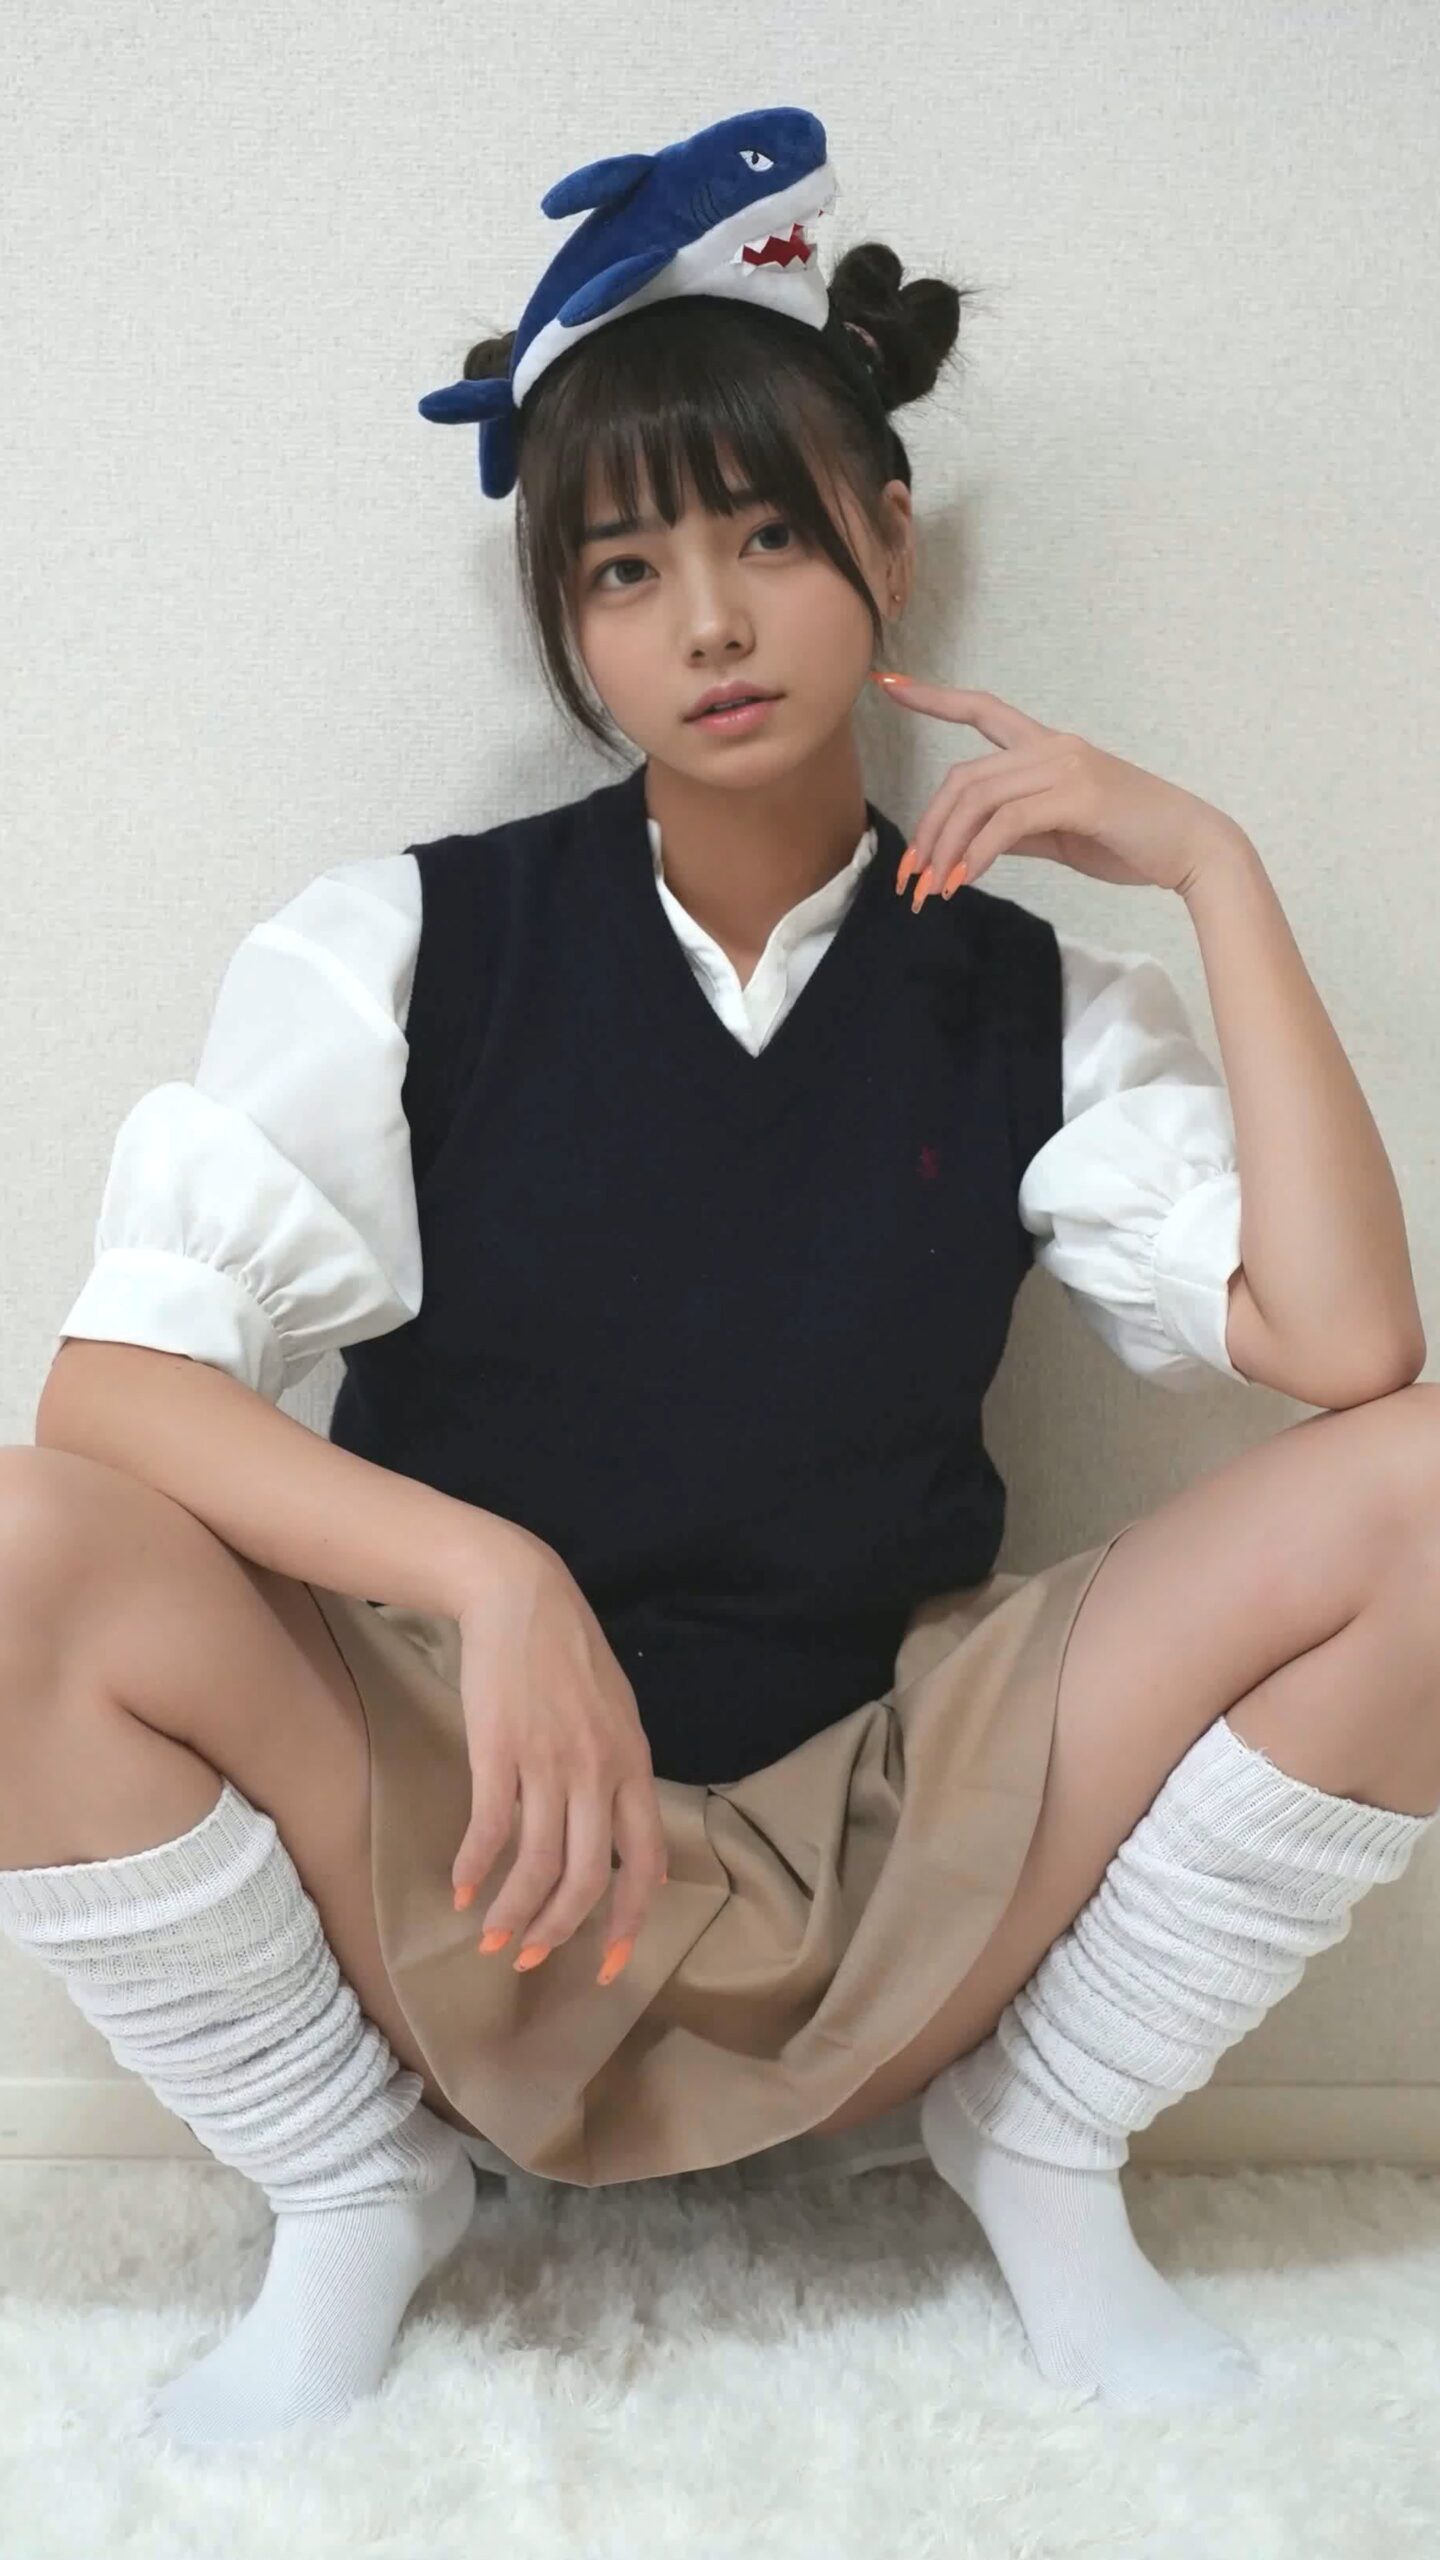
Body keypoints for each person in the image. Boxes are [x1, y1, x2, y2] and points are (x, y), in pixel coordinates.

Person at [2, 103, 1435, 2453]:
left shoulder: (1027, 1003)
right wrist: (488, 1579)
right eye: (628, 566)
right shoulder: (408, 944)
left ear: (888, 537)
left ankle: (1041, 2131)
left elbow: (1355, 1349)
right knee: (11, 1541)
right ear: (568, 624)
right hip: (468, 1821)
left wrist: (1213, 864)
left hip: (884, 1820)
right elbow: (110, 1397)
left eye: (769, 533)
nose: (711, 621)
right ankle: (351, 2182)